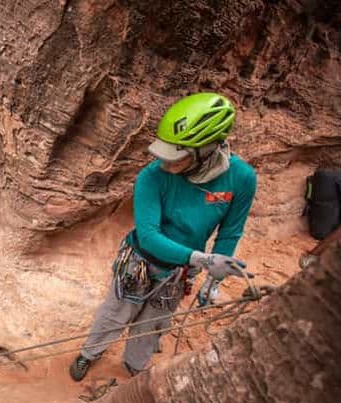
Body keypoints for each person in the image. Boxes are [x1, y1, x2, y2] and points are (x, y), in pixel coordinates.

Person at [70, 92, 257, 381]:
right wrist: (203, 259)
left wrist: (213, 279)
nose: (165, 162)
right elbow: (148, 236)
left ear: (207, 148)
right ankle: (90, 353)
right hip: (142, 260)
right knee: (117, 311)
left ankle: (135, 368)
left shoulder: (241, 178)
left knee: (153, 323)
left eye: (177, 156)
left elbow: (230, 231)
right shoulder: (152, 176)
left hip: (179, 270)